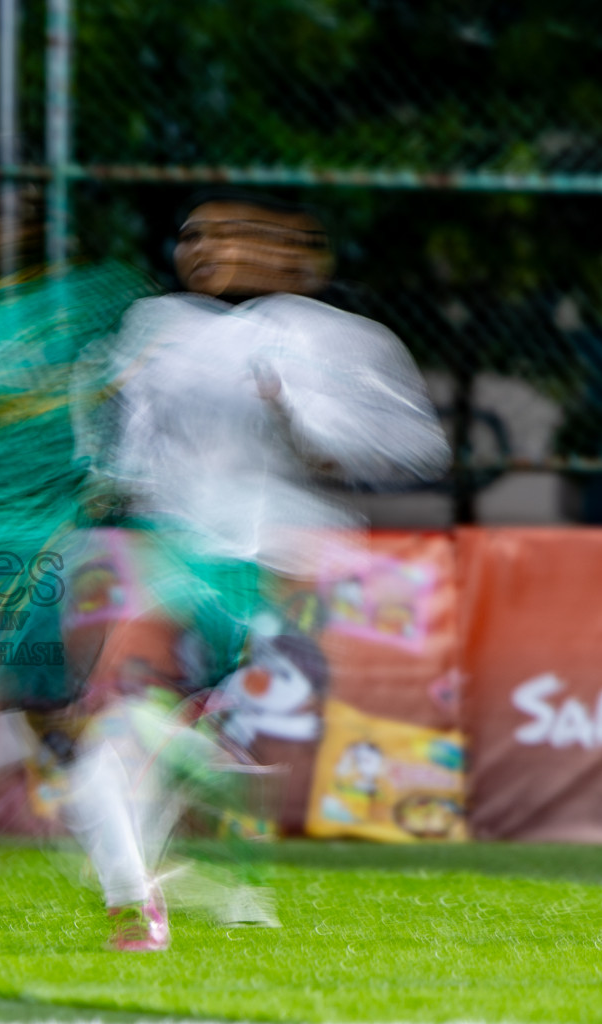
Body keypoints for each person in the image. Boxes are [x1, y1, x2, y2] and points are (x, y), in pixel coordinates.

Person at [84, 188, 449, 942]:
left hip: (281, 559)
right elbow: (129, 457)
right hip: (179, 553)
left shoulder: (336, 338)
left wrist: (300, 418)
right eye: (194, 236)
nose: (208, 250)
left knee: (152, 733)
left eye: (232, 235)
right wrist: (112, 455)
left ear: (293, 252)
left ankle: (181, 874)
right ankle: (162, 886)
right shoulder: (155, 328)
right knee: (133, 728)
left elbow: (411, 451)